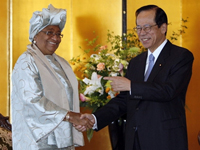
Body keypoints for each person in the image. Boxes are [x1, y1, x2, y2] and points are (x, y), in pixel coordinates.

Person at [77, 5, 194, 150]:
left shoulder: (180, 56)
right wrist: (95, 118)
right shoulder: (136, 62)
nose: (142, 33)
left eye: (147, 27)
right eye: (138, 28)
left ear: (163, 28)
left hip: (164, 139)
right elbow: (124, 100)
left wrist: (131, 86)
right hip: (134, 140)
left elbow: (168, 91)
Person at [11, 4, 93, 150]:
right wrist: (69, 116)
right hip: (37, 141)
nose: (55, 38)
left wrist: (76, 119)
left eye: (58, 33)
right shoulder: (27, 61)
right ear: (35, 34)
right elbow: (32, 100)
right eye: (49, 32)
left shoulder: (61, 63)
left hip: (62, 139)